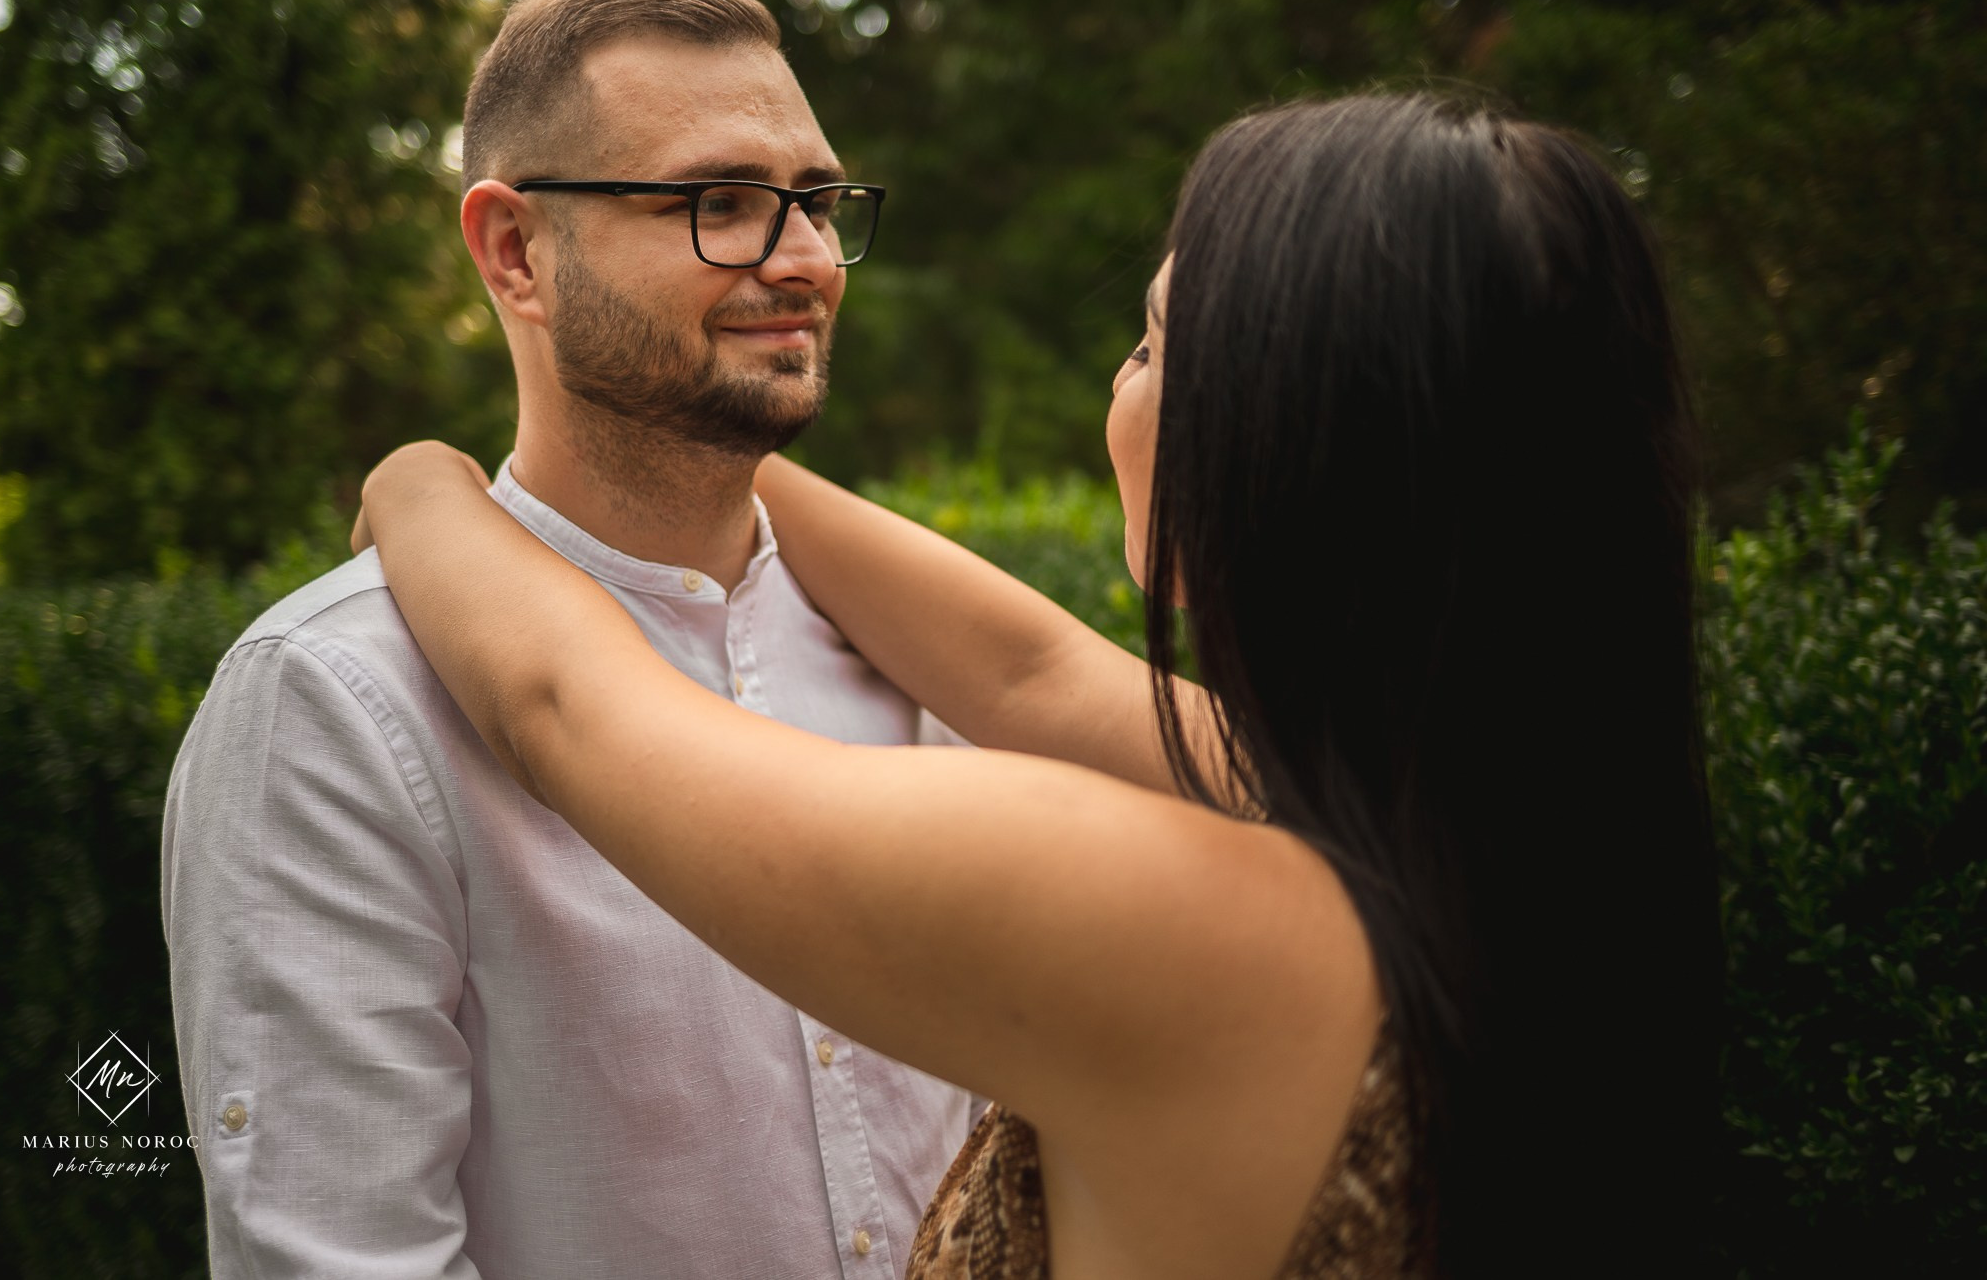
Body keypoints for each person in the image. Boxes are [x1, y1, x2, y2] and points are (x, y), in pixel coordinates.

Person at [351, 92, 1728, 1278]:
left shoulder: (1175, 918)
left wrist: (421, 483)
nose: (1121, 388)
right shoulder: (1508, 822)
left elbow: (573, 710)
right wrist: (670, 422)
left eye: (1152, 346)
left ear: (1277, 448)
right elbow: (1032, 670)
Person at [161, 0, 979, 1279]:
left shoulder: (927, 661)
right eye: (720, 201)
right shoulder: (337, 703)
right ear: (514, 252)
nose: (808, 259)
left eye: (819, 201)